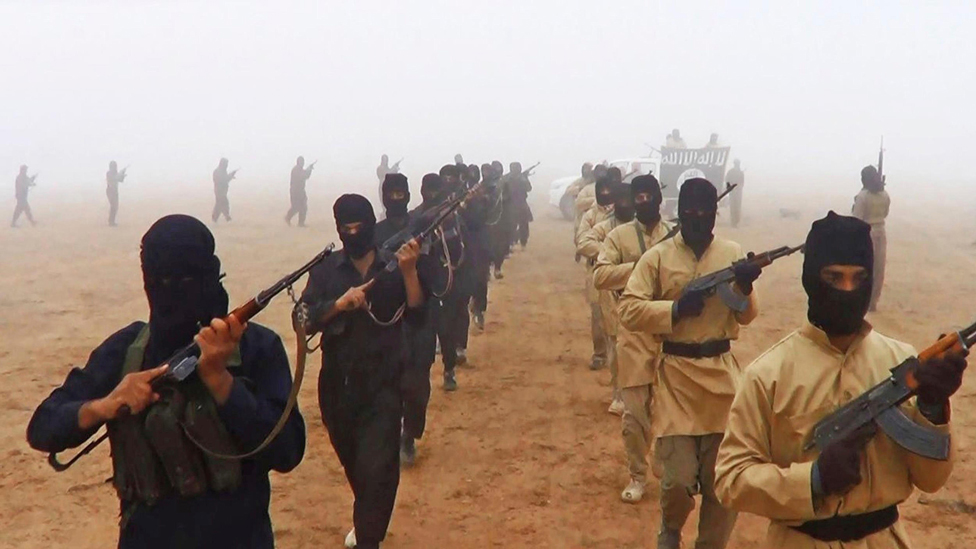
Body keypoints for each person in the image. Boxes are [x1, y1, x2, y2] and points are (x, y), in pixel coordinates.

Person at [26, 214, 306, 548]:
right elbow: (43, 427)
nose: (171, 292)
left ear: (211, 277)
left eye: (187, 280)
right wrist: (105, 406)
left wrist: (221, 381)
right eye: (159, 281)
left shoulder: (255, 348)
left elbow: (288, 451)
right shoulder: (127, 351)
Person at [714, 211, 966, 548]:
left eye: (859, 278)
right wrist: (812, 480)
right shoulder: (768, 374)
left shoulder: (899, 361)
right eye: (834, 278)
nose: (848, 290)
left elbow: (931, 481)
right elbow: (731, 479)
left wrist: (933, 407)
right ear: (811, 280)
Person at [619, 178, 762, 549]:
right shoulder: (658, 257)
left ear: (717, 213)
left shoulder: (731, 253)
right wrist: (675, 309)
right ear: (679, 213)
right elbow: (629, 309)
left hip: (721, 379)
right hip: (676, 379)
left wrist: (744, 287)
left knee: (722, 482)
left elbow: (746, 317)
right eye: (690, 211)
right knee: (678, 480)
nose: (698, 217)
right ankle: (670, 531)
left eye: (706, 210)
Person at [297, 194, 424, 549]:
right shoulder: (325, 270)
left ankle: (369, 538)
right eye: (346, 228)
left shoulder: (394, 264)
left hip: (384, 385)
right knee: (359, 469)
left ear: (371, 224)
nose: (353, 233)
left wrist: (411, 271)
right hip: (337, 388)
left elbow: (417, 315)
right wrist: (338, 305)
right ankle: (366, 518)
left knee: (379, 468)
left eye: (359, 226)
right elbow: (302, 319)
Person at [592, 175, 673, 503]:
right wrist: (639, 265)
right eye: (637, 196)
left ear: (658, 198)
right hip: (634, 330)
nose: (642, 201)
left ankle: (665, 466)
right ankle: (637, 474)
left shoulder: (674, 236)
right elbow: (600, 276)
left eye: (648, 195)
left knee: (670, 411)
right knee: (635, 412)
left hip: (671, 330)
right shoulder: (618, 236)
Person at [373, 173, 439, 467]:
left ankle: (409, 434)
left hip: (420, 316)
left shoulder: (423, 229)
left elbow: (437, 275)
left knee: (416, 385)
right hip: (385, 318)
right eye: (392, 195)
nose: (396, 200)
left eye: (402, 195)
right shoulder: (374, 233)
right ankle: (391, 436)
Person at [578, 181, 635, 415]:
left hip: (640, 291)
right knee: (615, 343)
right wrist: (611, 254)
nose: (625, 204)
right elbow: (583, 242)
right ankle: (619, 394)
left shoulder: (643, 227)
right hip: (610, 289)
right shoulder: (605, 225)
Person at [432, 164, 470, 390]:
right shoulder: (420, 217)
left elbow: (465, 245)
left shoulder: (456, 215)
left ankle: (450, 367)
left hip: (455, 275)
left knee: (452, 318)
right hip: (428, 281)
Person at [576, 175, 615, 371]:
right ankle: (600, 353)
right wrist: (608, 251)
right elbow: (583, 241)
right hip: (596, 271)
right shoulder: (590, 215)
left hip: (620, 273)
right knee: (598, 314)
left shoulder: (623, 214)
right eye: (602, 191)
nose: (605, 195)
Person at [851, 165, 890, 311]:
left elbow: (857, 219)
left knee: (865, 267)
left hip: (866, 233)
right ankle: (873, 302)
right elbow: (885, 213)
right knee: (879, 268)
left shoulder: (863, 196)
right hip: (881, 230)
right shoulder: (884, 194)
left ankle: (863, 300)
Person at [462, 164, 492, 332]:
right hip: (460, 246)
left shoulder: (481, 193)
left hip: (479, 243)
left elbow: (480, 219)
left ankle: (479, 311)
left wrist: (477, 199)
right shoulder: (458, 194)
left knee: (480, 280)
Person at [488, 162, 513, 280]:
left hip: (502, 219)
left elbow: (508, 198)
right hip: (488, 220)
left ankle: (497, 268)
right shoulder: (485, 184)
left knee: (500, 246)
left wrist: (500, 199)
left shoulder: (504, 182)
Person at [508, 162, 533, 250]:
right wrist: (525, 178)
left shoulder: (508, 177)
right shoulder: (521, 178)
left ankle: (513, 243)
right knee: (522, 225)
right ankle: (522, 243)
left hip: (512, 205)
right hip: (520, 204)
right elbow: (529, 188)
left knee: (513, 225)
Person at [285, 156, 315, 227]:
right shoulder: (296, 170)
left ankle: (301, 223)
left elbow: (306, 176)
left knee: (303, 207)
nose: (303, 163)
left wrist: (309, 169)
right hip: (295, 192)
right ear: (298, 162)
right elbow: (303, 176)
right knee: (296, 207)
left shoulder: (299, 169)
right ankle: (287, 218)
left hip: (301, 191)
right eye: (301, 162)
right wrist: (309, 169)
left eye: (303, 162)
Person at [212, 158, 237, 223]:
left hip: (221, 191)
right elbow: (223, 180)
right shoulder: (218, 171)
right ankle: (227, 217)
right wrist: (231, 175)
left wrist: (231, 176)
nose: (227, 165)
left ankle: (215, 219)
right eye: (226, 164)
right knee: (224, 204)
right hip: (219, 191)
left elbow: (225, 179)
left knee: (219, 205)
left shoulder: (221, 171)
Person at [106, 161, 127, 227]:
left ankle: (112, 221)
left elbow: (120, 180)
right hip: (110, 191)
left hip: (115, 191)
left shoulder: (115, 173)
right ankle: (111, 222)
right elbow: (115, 178)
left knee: (115, 206)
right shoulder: (109, 173)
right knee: (113, 206)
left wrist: (123, 174)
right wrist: (121, 174)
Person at [725, 159, 744, 228]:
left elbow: (742, 182)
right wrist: (729, 188)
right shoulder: (731, 172)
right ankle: (733, 222)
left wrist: (739, 188)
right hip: (733, 192)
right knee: (733, 207)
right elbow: (727, 180)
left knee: (737, 207)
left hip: (737, 192)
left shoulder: (740, 172)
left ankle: (736, 221)